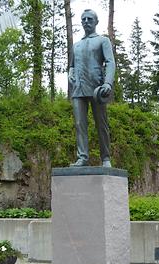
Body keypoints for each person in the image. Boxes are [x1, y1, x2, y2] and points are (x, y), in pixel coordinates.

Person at [68, 9, 116, 167]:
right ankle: (82, 157)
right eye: (84, 19)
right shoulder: (76, 45)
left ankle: (106, 158)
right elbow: (72, 65)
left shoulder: (103, 40)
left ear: (96, 22)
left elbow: (110, 62)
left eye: (90, 19)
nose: (86, 21)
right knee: (79, 124)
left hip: (97, 89)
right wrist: (70, 74)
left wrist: (108, 83)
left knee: (101, 124)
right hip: (78, 89)